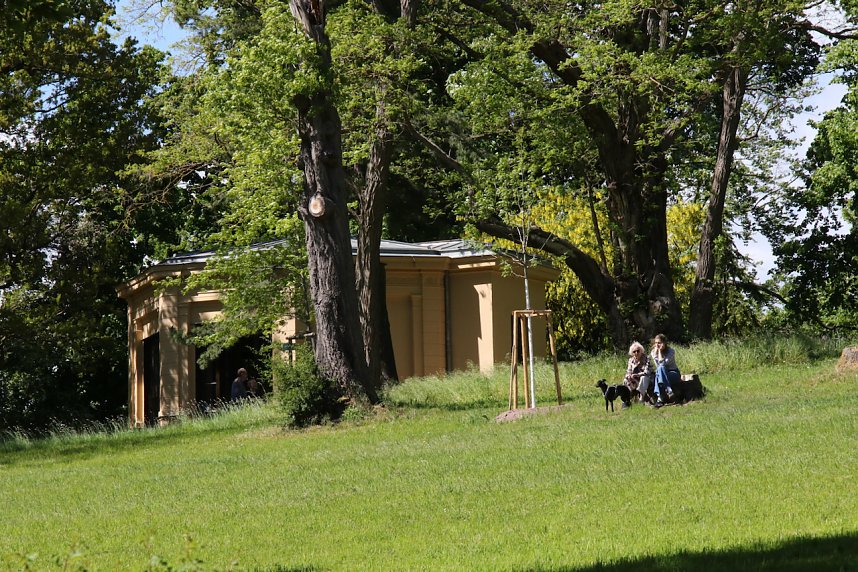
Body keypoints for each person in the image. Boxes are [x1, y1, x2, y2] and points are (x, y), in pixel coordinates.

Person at [650, 334, 681, 405]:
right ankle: (669, 390)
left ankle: (660, 399)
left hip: (673, 373)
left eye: (659, 343)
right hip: (661, 374)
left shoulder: (671, 351)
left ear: (664, 343)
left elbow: (662, 364)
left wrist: (660, 351)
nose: (657, 345)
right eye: (656, 343)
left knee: (660, 371)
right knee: (659, 372)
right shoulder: (653, 352)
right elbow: (658, 366)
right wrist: (656, 352)